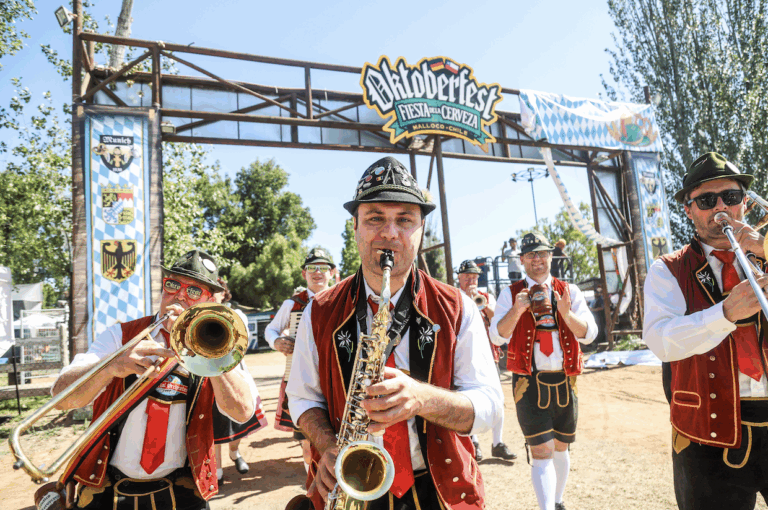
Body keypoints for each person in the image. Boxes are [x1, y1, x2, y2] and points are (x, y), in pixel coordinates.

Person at [287, 156, 503, 510]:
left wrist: (422, 398)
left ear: (420, 230)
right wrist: (328, 446)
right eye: (375, 219)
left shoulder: (458, 306)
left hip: (438, 489)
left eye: (405, 220)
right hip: (350, 486)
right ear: (354, 227)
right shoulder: (318, 311)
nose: (389, 233)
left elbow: (490, 407)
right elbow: (303, 398)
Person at [50, 249, 259, 510]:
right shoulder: (121, 335)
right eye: (172, 284)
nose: (180, 294)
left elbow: (242, 412)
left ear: (210, 300)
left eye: (194, 291)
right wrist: (111, 367)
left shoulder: (218, 345)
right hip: (107, 485)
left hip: (183, 488)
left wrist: (209, 352)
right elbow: (61, 398)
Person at [643, 152, 768, 510]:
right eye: (706, 200)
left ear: (745, 202)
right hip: (706, 437)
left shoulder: (765, 253)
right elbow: (662, 340)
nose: (720, 208)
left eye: (730, 197)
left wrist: (761, 246)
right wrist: (725, 313)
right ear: (689, 209)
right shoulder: (668, 269)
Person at [490, 232, 597, 510]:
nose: (537, 259)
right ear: (523, 260)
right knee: (541, 451)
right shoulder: (510, 293)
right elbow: (496, 337)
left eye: (541, 253)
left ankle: (558, 500)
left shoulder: (569, 291)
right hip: (528, 382)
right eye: (530, 255)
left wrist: (566, 313)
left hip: (565, 380)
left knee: (561, 447)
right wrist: (516, 310)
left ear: (551, 256)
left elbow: (589, 334)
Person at [265, 248, 337, 474]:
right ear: (304, 273)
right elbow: (271, 329)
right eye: (312, 268)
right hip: (301, 378)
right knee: (307, 442)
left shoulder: (342, 299)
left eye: (323, 268)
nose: (318, 273)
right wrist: (277, 341)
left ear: (333, 273)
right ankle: (312, 478)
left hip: (334, 379)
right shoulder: (292, 304)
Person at [457, 259, 517, 463]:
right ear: (459, 278)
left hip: (488, 354)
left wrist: (480, 303)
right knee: (467, 400)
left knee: (497, 398)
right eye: (467, 278)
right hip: (465, 356)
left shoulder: (486, 297)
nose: (471, 281)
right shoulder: (454, 297)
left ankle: (497, 443)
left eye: (474, 277)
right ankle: (473, 441)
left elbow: (497, 320)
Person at [212, 277, 269, 485]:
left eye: (215, 290)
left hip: (233, 374)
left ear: (223, 293)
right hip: (206, 377)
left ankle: (235, 453)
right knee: (213, 425)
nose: (210, 295)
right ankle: (216, 469)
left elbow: (239, 344)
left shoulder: (236, 315)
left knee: (237, 423)